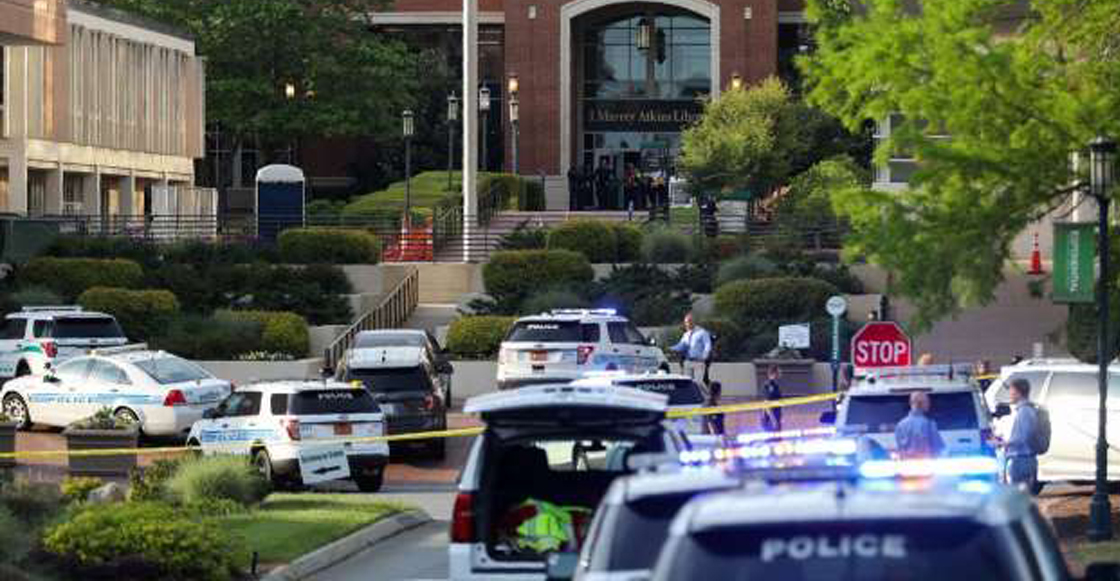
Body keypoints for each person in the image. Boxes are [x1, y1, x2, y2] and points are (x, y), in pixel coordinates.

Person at [1003, 378, 1040, 493]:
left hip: (1021, 459)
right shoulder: (1027, 410)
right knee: (1023, 498)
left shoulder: (1024, 411)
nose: (1010, 394)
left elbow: (1023, 437)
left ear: (1018, 393)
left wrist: (1005, 443)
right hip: (1026, 459)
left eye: (1011, 391)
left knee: (1018, 498)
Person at [893, 391, 945, 459]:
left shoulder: (900, 425)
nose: (929, 404)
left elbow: (899, 448)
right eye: (927, 402)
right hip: (925, 464)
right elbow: (938, 448)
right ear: (920, 403)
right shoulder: (929, 424)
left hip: (907, 465)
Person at [670, 313, 712, 381]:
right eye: (685, 322)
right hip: (687, 362)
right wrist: (671, 348)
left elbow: (708, 345)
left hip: (698, 362)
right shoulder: (686, 334)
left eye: (689, 321)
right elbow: (681, 345)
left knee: (698, 383)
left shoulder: (702, 332)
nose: (687, 324)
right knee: (687, 383)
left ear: (693, 321)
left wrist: (704, 357)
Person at [761, 366, 783, 432]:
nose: (781, 373)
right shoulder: (768, 385)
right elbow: (766, 403)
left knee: (778, 439)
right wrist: (773, 420)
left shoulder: (776, 385)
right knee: (771, 440)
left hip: (776, 417)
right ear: (774, 373)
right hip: (770, 420)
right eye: (779, 372)